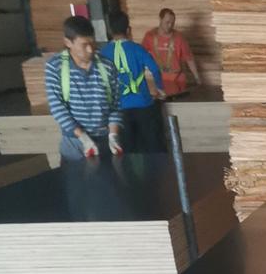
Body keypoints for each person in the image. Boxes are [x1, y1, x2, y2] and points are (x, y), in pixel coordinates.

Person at [45, 15, 124, 163]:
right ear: (68, 42)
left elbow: (115, 105)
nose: (90, 49)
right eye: (84, 45)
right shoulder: (55, 67)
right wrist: (83, 137)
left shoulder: (107, 66)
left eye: (92, 43)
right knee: (75, 178)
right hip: (74, 144)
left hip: (104, 141)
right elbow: (57, 107)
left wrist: (113, 135)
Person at [100, 10, 167, 153]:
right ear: (128, 30)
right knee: (151, 147)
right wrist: (160, 88)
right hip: (143, 104)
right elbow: (155, 70)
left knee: (127, 151)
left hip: (119, 110)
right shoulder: (138, 49)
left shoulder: (103, 53)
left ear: (109, 31)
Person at [142, 8, 201, 98]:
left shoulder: (179, 38)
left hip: (178, 81)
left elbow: (189, 59)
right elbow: (141, 57)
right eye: (167, 22)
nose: (170, 26)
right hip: (160, 81)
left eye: (172, 23)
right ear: (160, 19)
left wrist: (197, 78)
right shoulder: (149, 36)